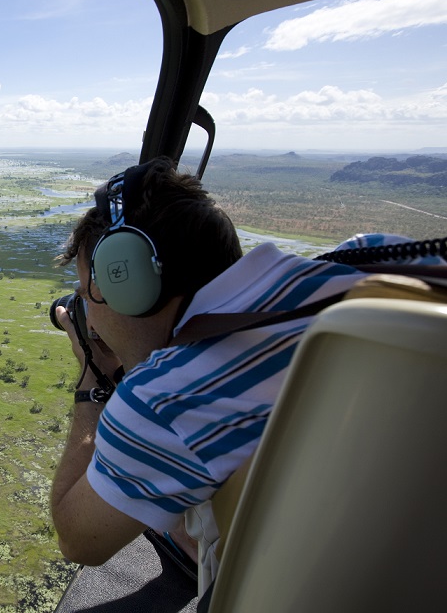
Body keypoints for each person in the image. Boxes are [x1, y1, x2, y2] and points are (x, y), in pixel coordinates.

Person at [49, 156, 411, 593]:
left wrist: (93, 381)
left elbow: (79, 541)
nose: (92, 320)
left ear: (130, 281)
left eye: (91, 288)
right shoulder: (372, 262)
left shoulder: (166, 398)